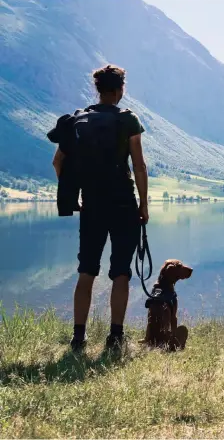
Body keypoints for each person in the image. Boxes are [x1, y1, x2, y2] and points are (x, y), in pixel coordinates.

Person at [51, 64, 149, 351]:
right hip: (122, 203)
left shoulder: (79, 119)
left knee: (87, 270)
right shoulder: (128, 120)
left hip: (92, 204)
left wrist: (77, 196)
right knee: (120, 271)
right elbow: (139, 166)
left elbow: (58, 162)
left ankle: (78, 338)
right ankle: (115, 337)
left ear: (97, 89)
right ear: (120, 90)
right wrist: (143, 205)